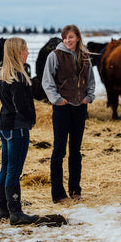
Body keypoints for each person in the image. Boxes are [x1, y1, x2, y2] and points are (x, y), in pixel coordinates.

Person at [42, 24, 96, 203]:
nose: (68, 40)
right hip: (62, 108)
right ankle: (58, 195)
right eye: (65, 38)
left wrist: (89, 97)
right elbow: (47, 81)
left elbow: (90, 80)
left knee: (76, 150)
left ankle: (75, 190)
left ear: (78, 38)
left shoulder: (85, 57)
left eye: (71, 37)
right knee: (59, 150)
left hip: (79, 107)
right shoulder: (55, 56)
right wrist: (57, 99)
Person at [0, 37, 39, 225]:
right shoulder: (19, 76)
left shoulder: (5, 73)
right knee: (13, 170)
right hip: (17, 128)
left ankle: (3, 209)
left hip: (4, 126)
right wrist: (30, 119)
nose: (28, 53)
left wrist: (7, 103)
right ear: (18, 52)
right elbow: (22, 105)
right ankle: (16, 213)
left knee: (5, 167)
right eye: (25, 49)